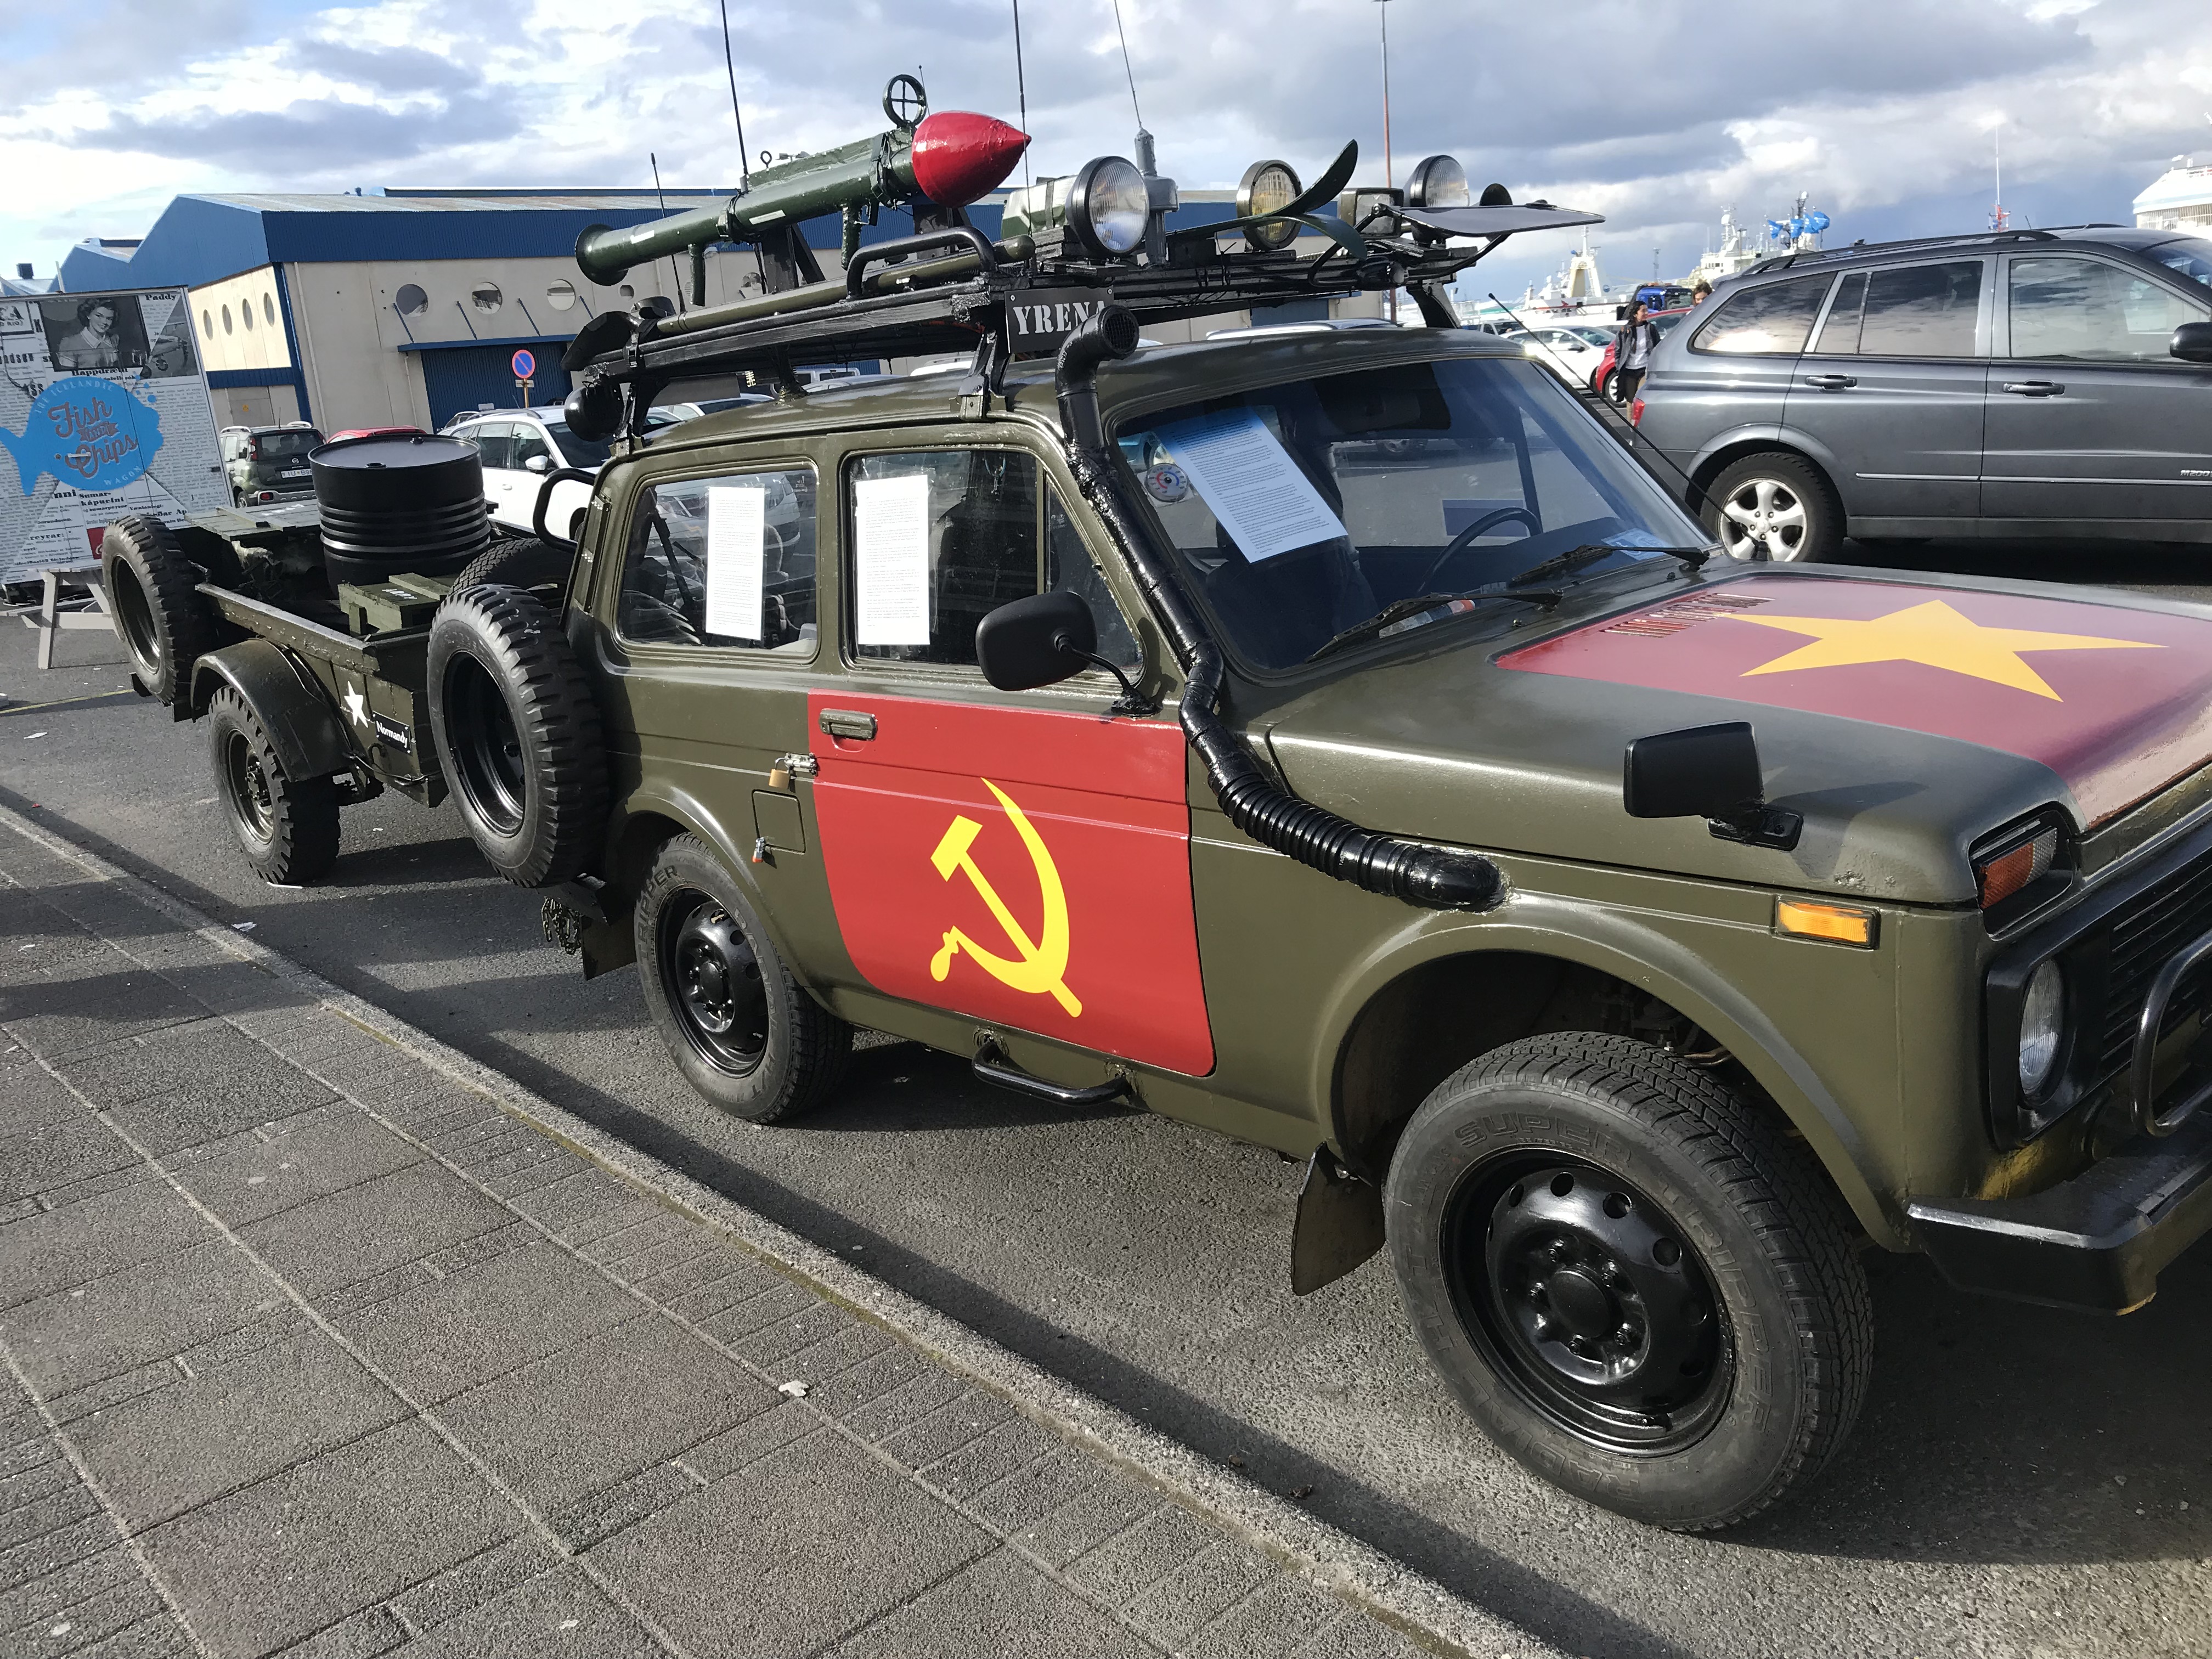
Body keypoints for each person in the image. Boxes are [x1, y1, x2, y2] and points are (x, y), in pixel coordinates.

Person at [52, 298, 142, 371]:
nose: (104, 322)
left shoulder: (115, 340)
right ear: (88, 315)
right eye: (99, 316)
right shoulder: (69, 343)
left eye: (109, 319)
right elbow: (68, 378)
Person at [1615, 299, 1659, 407]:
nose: (1646, 313)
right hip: (1629, 371)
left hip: (1644, 369)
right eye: (1643, 311)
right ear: (1635, 314)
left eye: (1647, 310)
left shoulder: (1650, 329)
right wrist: (1618, 365)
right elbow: (1618, 350)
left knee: (1641, 398)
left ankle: (1643, 418)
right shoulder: (1625, 331)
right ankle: (1630, 419)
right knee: (1630, 400)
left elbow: (1657, 347)